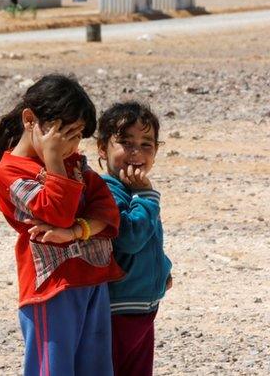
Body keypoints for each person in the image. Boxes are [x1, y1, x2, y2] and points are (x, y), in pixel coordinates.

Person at [0, 74, 124, 376]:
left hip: (91, 278)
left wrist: (77, 231)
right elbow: (58, 214)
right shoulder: (11, 173)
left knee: (97, 367)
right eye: (65, 134)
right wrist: (53, 160)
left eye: (77, 136)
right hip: (52, 287)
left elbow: (107, 209)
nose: (71, 145)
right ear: (30, 120)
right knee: (53, 369)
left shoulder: (74, 162)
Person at [96, 101, 172, 376]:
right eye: (126, 143)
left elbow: (151, 241)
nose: (136, 153)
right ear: (102, 148)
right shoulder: (108, 191)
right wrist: (147, 197)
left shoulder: (134, 190)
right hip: (117, 309)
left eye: (146, 145)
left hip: (142, 306)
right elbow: (130, 238)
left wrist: (163, 269)